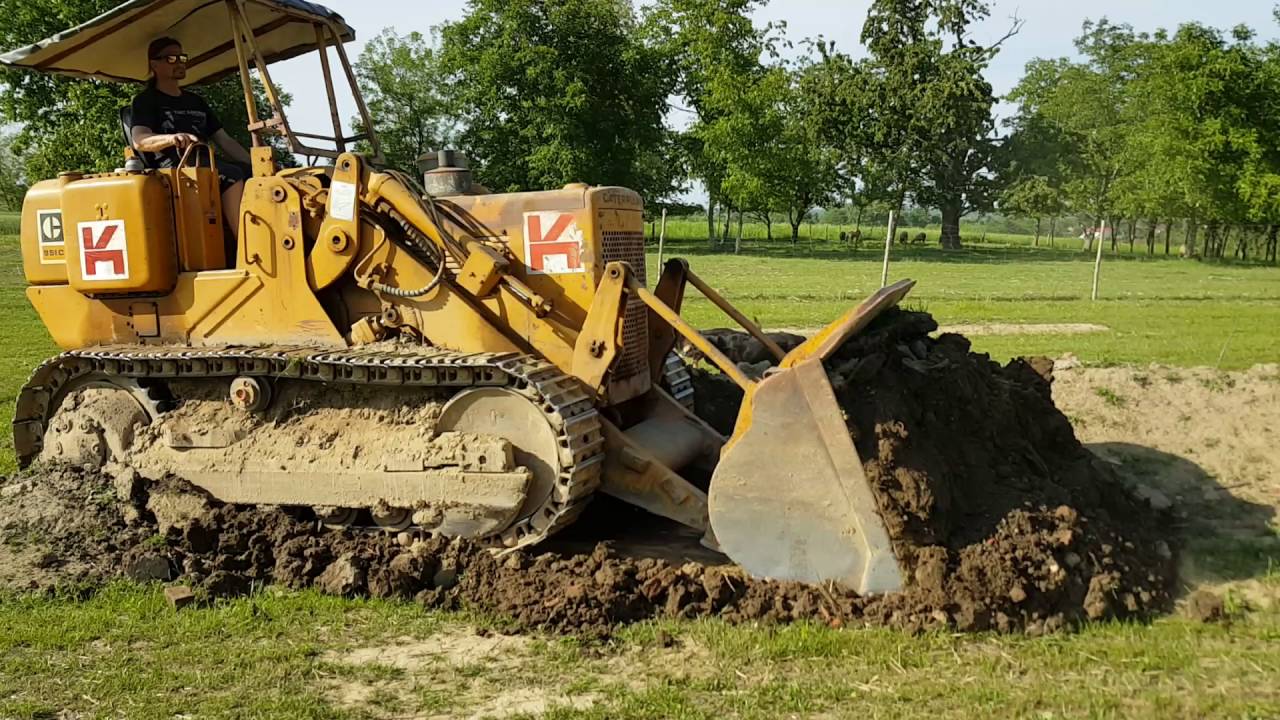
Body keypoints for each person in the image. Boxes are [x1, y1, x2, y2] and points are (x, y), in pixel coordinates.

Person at [130, 37, 253, 236]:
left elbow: (224, 140)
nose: (179, 63)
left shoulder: (196, 101)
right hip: (176, 168)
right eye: (171, 59)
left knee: (254, 175)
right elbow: (140, 139)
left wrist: (258, 164)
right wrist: (171, 138)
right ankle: (248, 246)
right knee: (232, 175)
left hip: (206, 162)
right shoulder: (146, 101)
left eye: (182, 57)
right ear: (154, 64)